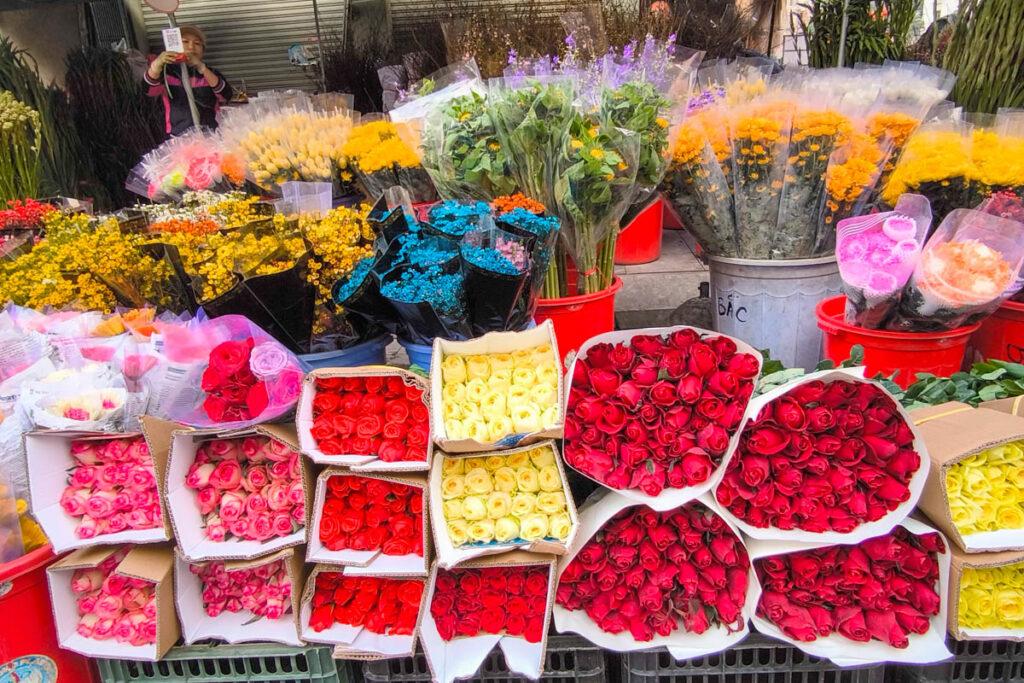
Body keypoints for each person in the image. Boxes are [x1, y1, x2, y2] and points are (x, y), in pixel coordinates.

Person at [144, 25, 233, 136]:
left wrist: (202, 68)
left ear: (203, 50)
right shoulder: (166, 73)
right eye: (185, 41)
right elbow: (149, 90)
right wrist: (157, 64)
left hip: (211, 135)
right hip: (178, 137)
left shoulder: (209, 73)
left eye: (197, 43)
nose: (191, 47)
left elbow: (226, 95)